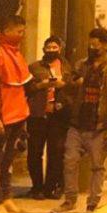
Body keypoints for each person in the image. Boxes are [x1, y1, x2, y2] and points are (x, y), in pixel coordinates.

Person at [51, 27, 107, 213]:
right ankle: (70, 200)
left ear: (106, 45)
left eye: (97, 44)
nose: (93, 47)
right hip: (78, 122)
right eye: (91, 43)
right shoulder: (81, 65)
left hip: (99, 125)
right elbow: (69, 86)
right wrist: (73, 85)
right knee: (69, 161)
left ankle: (92, 205)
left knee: (97, 166)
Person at [0, 15, 33, 213]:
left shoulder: (16, 54)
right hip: (2, 114)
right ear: (7, 31)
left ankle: (7, 195)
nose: (22, 35)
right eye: (19, 32)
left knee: (9, 157)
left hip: (18, 113)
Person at [26, 36, 72, 199]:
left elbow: (72, 87)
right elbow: (28, 88)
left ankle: (50, 187)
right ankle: (37, 187)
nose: (52, 50)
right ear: (44, 49)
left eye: (55, 47)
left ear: (60, 49)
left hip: (58, 116)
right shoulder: (34, 67)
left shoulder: (67, 67)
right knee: (35, 152)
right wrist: (43, 84)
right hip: (38, 115)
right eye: (49, 47)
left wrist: (63, 86)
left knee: (56, 152)